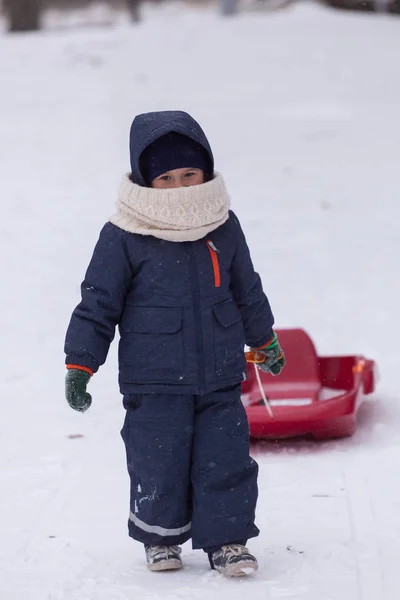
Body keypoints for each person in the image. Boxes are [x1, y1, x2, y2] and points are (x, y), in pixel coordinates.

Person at [64, 111, 285, 577]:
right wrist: (81, 363)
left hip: (221, 374)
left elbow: (247, 289)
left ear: (205, 170)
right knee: (157, 458)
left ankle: (227, 539)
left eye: (190, 174)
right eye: (166, 177)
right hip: (154, 377)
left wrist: (263, 338)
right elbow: (98, 301)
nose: (181, 185)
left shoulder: (223, 225)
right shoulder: (124, 234)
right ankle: (160, 537)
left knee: (225, 459)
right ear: (146, 180)